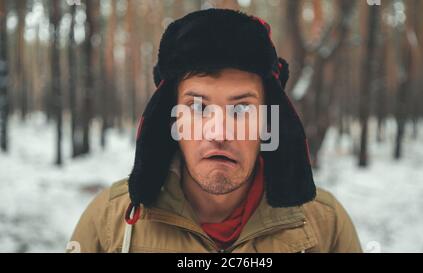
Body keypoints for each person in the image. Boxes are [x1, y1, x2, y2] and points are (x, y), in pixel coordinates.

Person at [69, 9, 362, 253]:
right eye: (198, 107)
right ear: (173, 121)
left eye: (241, 109)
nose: (219, 132)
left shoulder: (326, 224)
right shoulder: (109, 224)